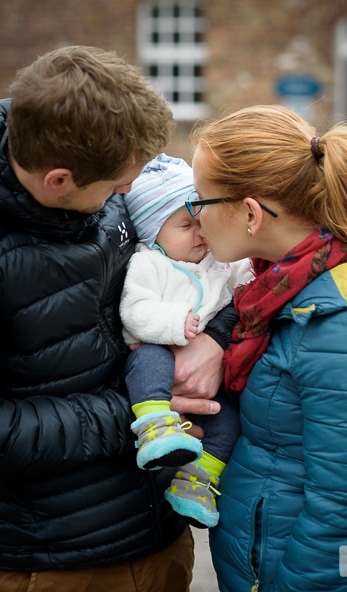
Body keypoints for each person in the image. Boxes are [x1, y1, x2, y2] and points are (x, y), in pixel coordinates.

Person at [0, 45, 233, 592]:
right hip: (54, 563)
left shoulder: (101, 166)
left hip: (159, 534)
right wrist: (131, 410)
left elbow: (202, 280)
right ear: (58, 180)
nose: (130, 194)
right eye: (116, 187)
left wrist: (214, 341)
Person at [188, 104, 347, 591]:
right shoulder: (284, 288)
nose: (194, 219)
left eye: (200, 201)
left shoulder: (339, 329)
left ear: (251, 213)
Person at [120, 153, 253, 528]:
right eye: (185, 225)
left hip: (210, 374)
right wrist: (174, 323)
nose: (200, 234)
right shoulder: (149, 264)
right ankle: (154, 424)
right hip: (158, 349)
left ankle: (198, 481)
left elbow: (245, 283)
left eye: (201, 223)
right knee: (148, 363)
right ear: (152, 231)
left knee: (227, 420)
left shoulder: (217, 261)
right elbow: (135, 310)